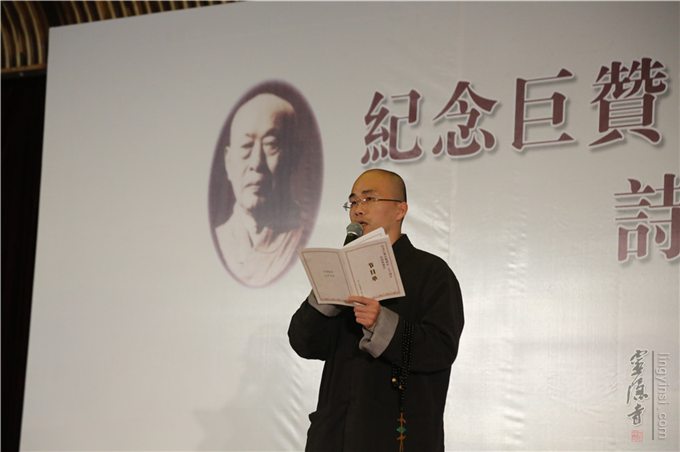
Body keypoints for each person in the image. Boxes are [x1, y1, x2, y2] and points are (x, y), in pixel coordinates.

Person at [288, 169, 465, 452]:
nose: (358, 210)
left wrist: (382, 324)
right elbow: (305, 343)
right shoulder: (343, 272)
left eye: (369, 199)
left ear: (400, 210)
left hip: (398, 437)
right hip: (334, 435)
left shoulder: (431, 272)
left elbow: (441, 349)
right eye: (353, 202)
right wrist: (325, 294)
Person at [215, 91, 305, 287]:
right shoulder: (215, 241)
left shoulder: (308, 239)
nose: (257, 163)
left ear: (294, 157)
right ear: (229, 161)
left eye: (270, 144)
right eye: (246, 146)